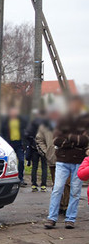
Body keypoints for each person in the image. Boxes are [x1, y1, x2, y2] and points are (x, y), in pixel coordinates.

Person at [45, 96, 89, 229]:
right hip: (62, 160)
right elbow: (57, 140)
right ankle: (52, 218)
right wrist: (75, 140)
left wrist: (68, 138)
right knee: (57, 189)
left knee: (75, 191)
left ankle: (70, 219)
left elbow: (85, 141)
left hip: (78, 161)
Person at [36, 111, 70, 206]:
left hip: (67, 159)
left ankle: (66, 205)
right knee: (57, 184)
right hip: (53, 159)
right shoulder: (44, 126)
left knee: (68, 184)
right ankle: (58, 205)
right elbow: (39, 139)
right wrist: (46, 153)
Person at [0, 107, 28, 186]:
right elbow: (2, 132)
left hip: (19, 144)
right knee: (10, 161)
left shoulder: (21, 121)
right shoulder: (5, 121)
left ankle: (20, 178)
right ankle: (9, 178)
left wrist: (25, 143)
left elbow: (25, 132)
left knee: (21, 161)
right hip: (9, 144)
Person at [25, 110, 48, 192]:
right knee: (44, 167)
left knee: (34, 167)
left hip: (34, 148)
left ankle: (34, 184)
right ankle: (43, 185)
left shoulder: (33, 123)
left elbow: (27, 134)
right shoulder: (46, 124)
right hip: (44, 148)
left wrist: (32, 143)